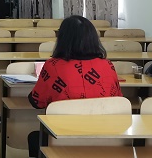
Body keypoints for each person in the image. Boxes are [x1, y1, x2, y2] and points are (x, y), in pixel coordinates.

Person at [26, 15, 123, 157]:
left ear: (62, 39)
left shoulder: (53, 66)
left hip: (63, 139)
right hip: (106, 140)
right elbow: (118, 101)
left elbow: (36, 102)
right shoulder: (107, 65)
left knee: (34, 137)